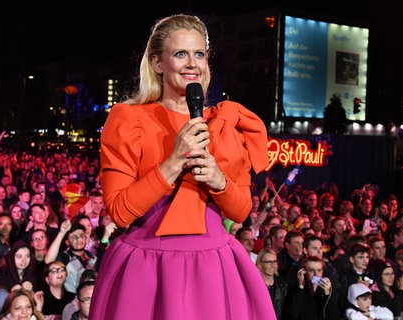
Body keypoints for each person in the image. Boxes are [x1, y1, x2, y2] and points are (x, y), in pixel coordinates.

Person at [89, 14, 274, 320]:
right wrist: (173, 163)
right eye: (180, 54)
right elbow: (119, 211)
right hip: (146, 272)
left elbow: (241, 211)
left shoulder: (225, 122)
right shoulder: (129, 119)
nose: (192, 63)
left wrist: (219, 180)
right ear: (157, 64)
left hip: (214, 271)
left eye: (199, 54)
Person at [283, 255, 340, 320]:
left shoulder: (327, 289)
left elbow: (334, 316)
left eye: (319, 270)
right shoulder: (297, 288)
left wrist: (327, 294)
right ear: (304, 272)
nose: (316, 274)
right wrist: (300, 287)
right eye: (311, 270)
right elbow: (292, 314)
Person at [256, 248, 288, 320]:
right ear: (260, 265)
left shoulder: (283, 285)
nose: (273, 265)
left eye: (274, 262)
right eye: (269, 262)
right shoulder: (255, 286)